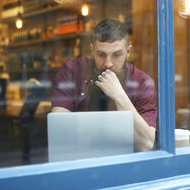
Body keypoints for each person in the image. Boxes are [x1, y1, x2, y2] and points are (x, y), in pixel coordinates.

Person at [51, 19, 157, 151]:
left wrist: (119, 95)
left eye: (117, 55)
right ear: (92, 50)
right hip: (78, 159)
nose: (108, 64)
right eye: (101, 55)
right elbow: (59, 131)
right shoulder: (72, 71)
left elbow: (146, 144)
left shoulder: (143, 83)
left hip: (124, 164)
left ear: (128, 52)